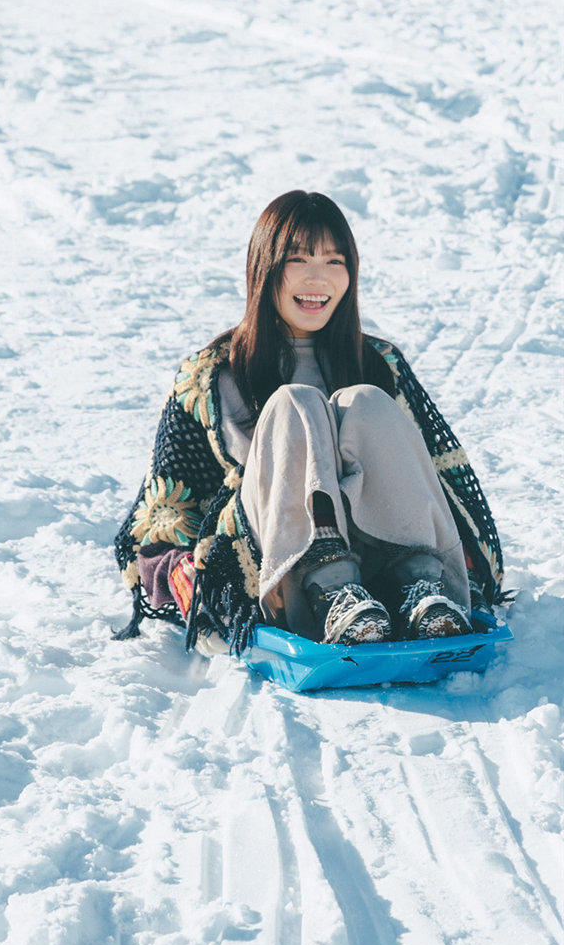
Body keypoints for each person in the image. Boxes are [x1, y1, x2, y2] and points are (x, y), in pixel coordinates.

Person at [112, 191, 506, 650]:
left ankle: (419, 588)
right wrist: (195, 588)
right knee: (293, 402)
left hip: (394, 577)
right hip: (280, 577)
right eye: (298, 259)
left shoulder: (380, 363)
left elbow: (439, 480)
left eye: (334, 262)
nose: (318, 279)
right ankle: (331, 587)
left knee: (367, 403)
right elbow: (162, 518)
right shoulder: (212, 374)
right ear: (265, 268)